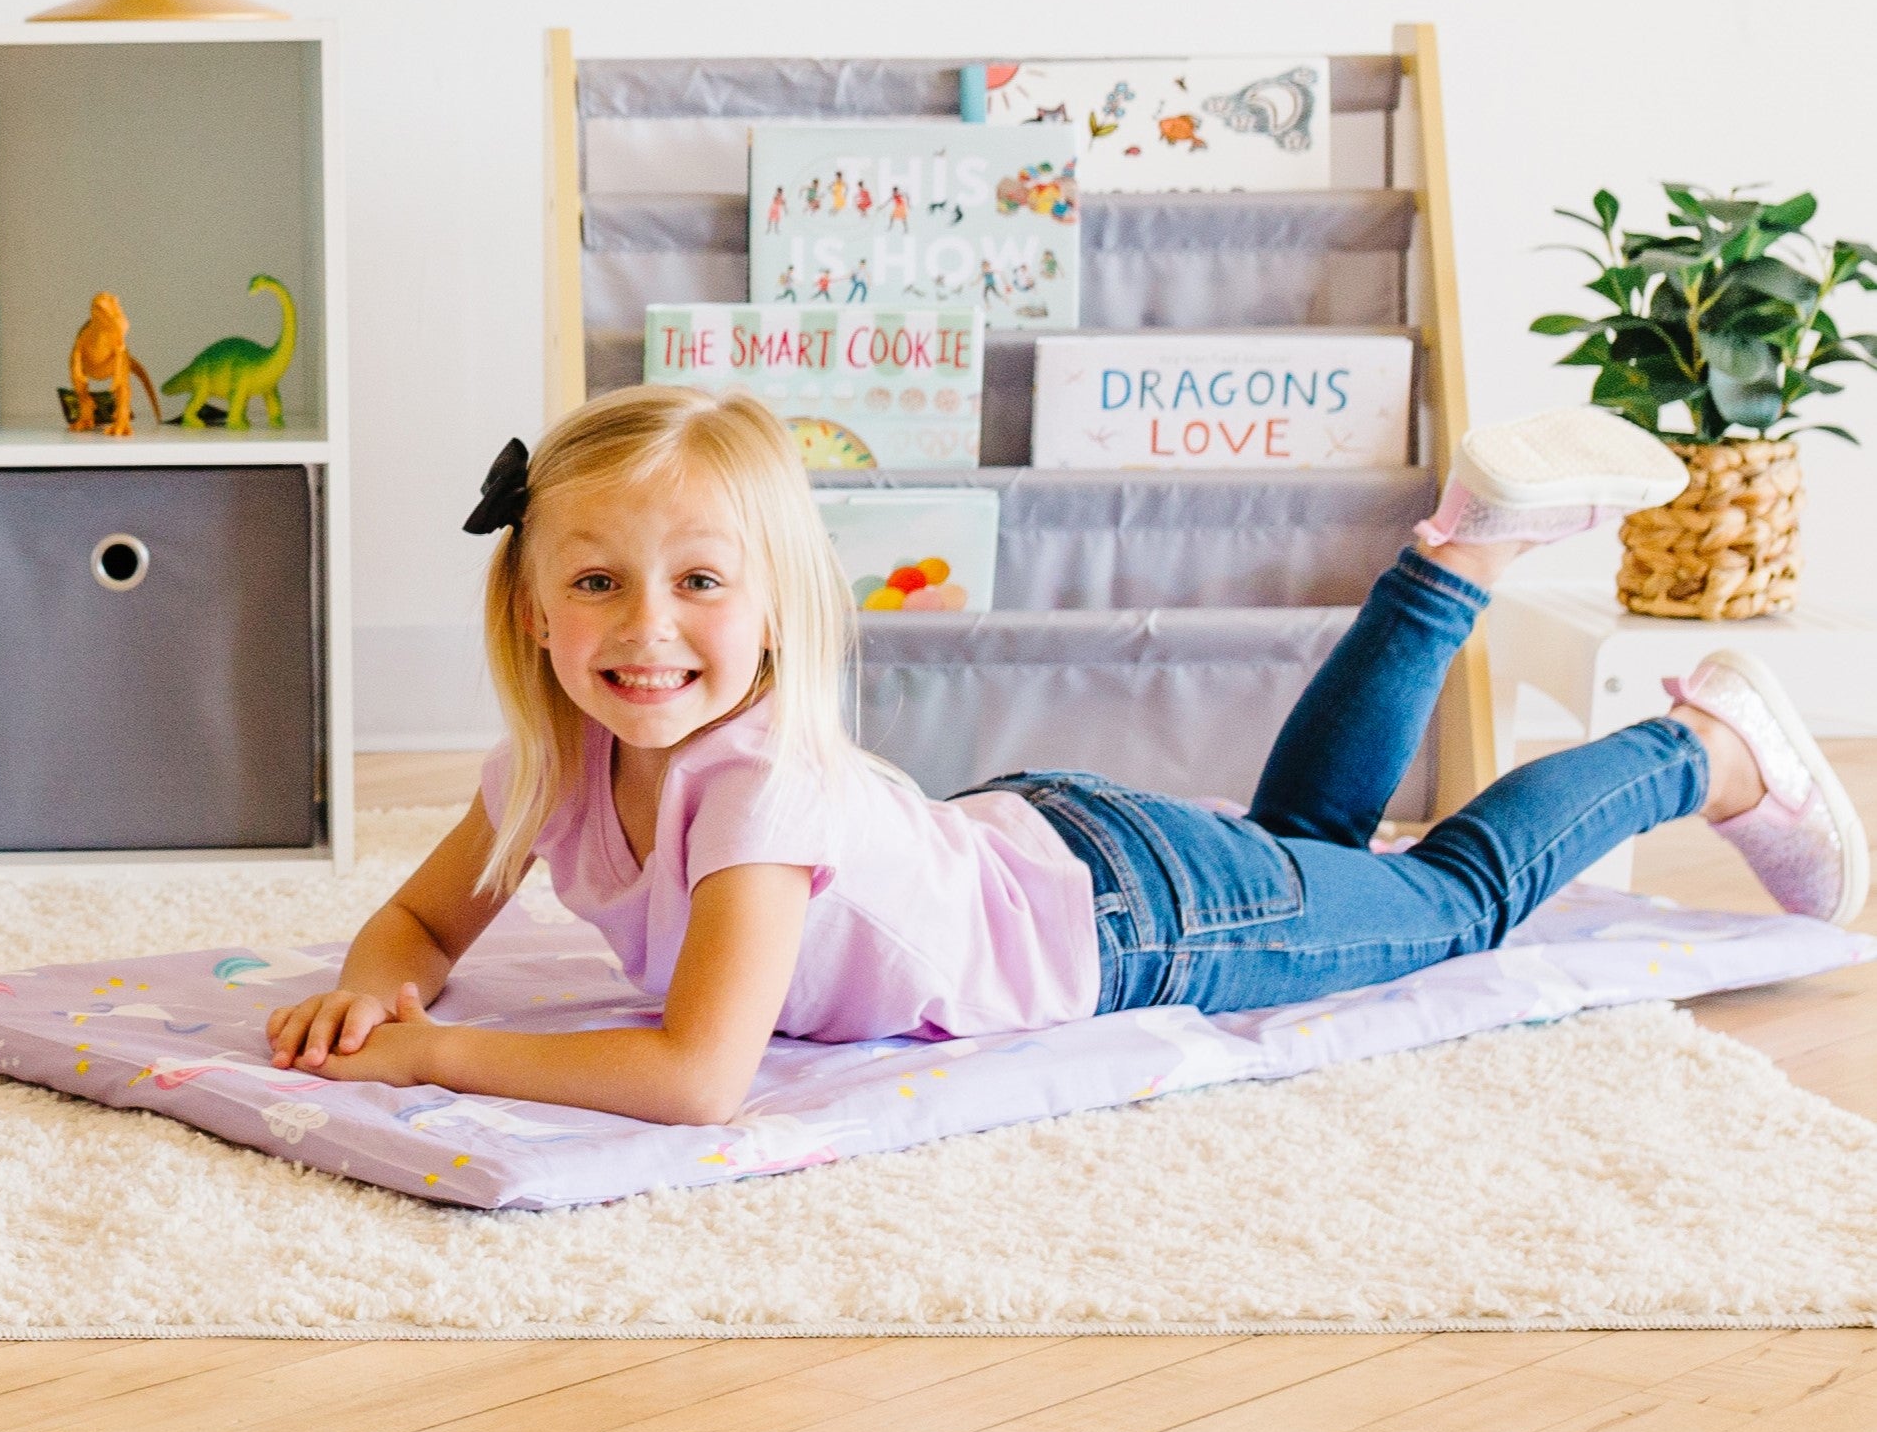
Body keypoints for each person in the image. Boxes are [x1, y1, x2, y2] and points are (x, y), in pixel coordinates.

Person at [269, 387, 1866, 1126]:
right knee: (1309, 839)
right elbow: (424, 925)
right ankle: (1460, 557)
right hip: (1047, 845)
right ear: (533, 609)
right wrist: (380, 983)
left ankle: (1698, 745)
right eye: (597, 582)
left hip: (1124, 924)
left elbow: (696, 1076)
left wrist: (437, 1056)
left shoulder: (753, 790)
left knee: (1440, 897)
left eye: (700, 583)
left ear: (777, 613)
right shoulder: (539, 765)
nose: (648, 631)